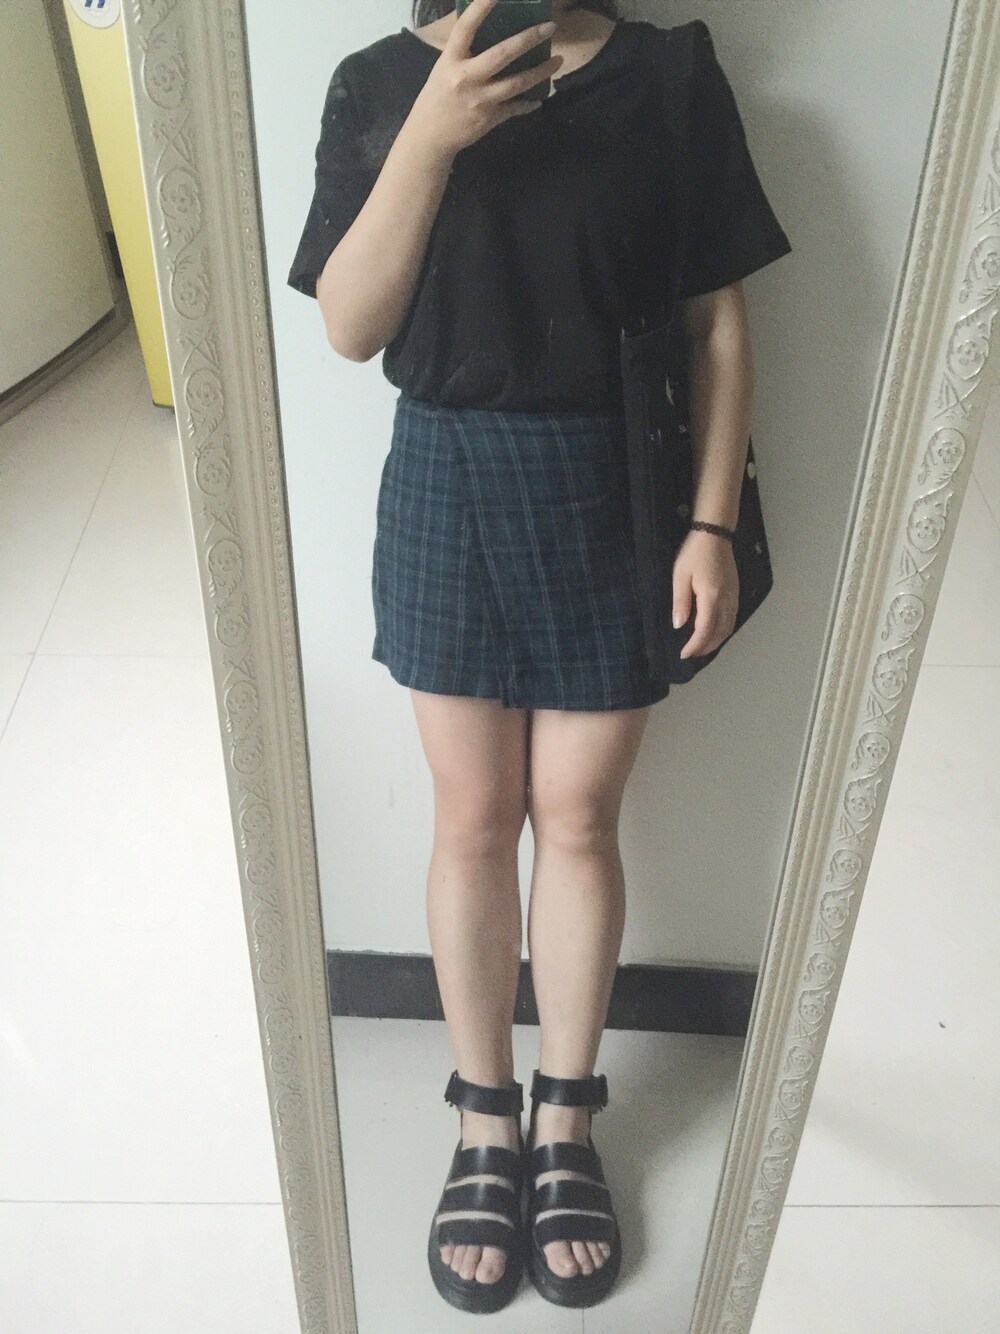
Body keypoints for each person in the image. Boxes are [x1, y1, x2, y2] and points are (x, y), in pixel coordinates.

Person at [287, 0, 792, 1312]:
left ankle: (565, 1118)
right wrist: (432, 135)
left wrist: (711, 523)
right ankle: (485, 1122)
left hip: (616, 479)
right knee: (473, 817)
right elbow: (350, 324)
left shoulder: (670, 77)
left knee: (578, 816)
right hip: (446, 468)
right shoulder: (376, 84)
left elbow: (716, 323)